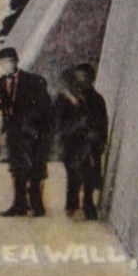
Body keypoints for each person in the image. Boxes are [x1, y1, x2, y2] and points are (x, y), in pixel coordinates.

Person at [0, 47, 52, 216]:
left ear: (16, 61)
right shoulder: (2, 82)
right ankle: (20, 205)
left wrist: (35, 126)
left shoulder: (32, 81)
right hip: (14, 134)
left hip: (31, 134)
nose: (6, 65)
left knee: (34, 169)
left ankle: (37, 206)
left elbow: (43, 107)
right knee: (17, 169)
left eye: (9, 61)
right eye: (3, 63)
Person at [53, 63, 109, 221]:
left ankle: (88, 205)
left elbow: (102, 122)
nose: (81, 81)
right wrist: (76, 127)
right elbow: (59, 123)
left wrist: (99, 139)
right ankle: (72, 206)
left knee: (89, 177)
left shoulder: (97, 100)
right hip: (72, 144)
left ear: (92, 79)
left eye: (84, 77)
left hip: (90, 145)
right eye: (79, 77)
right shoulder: (65, 99)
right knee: (73, 177)